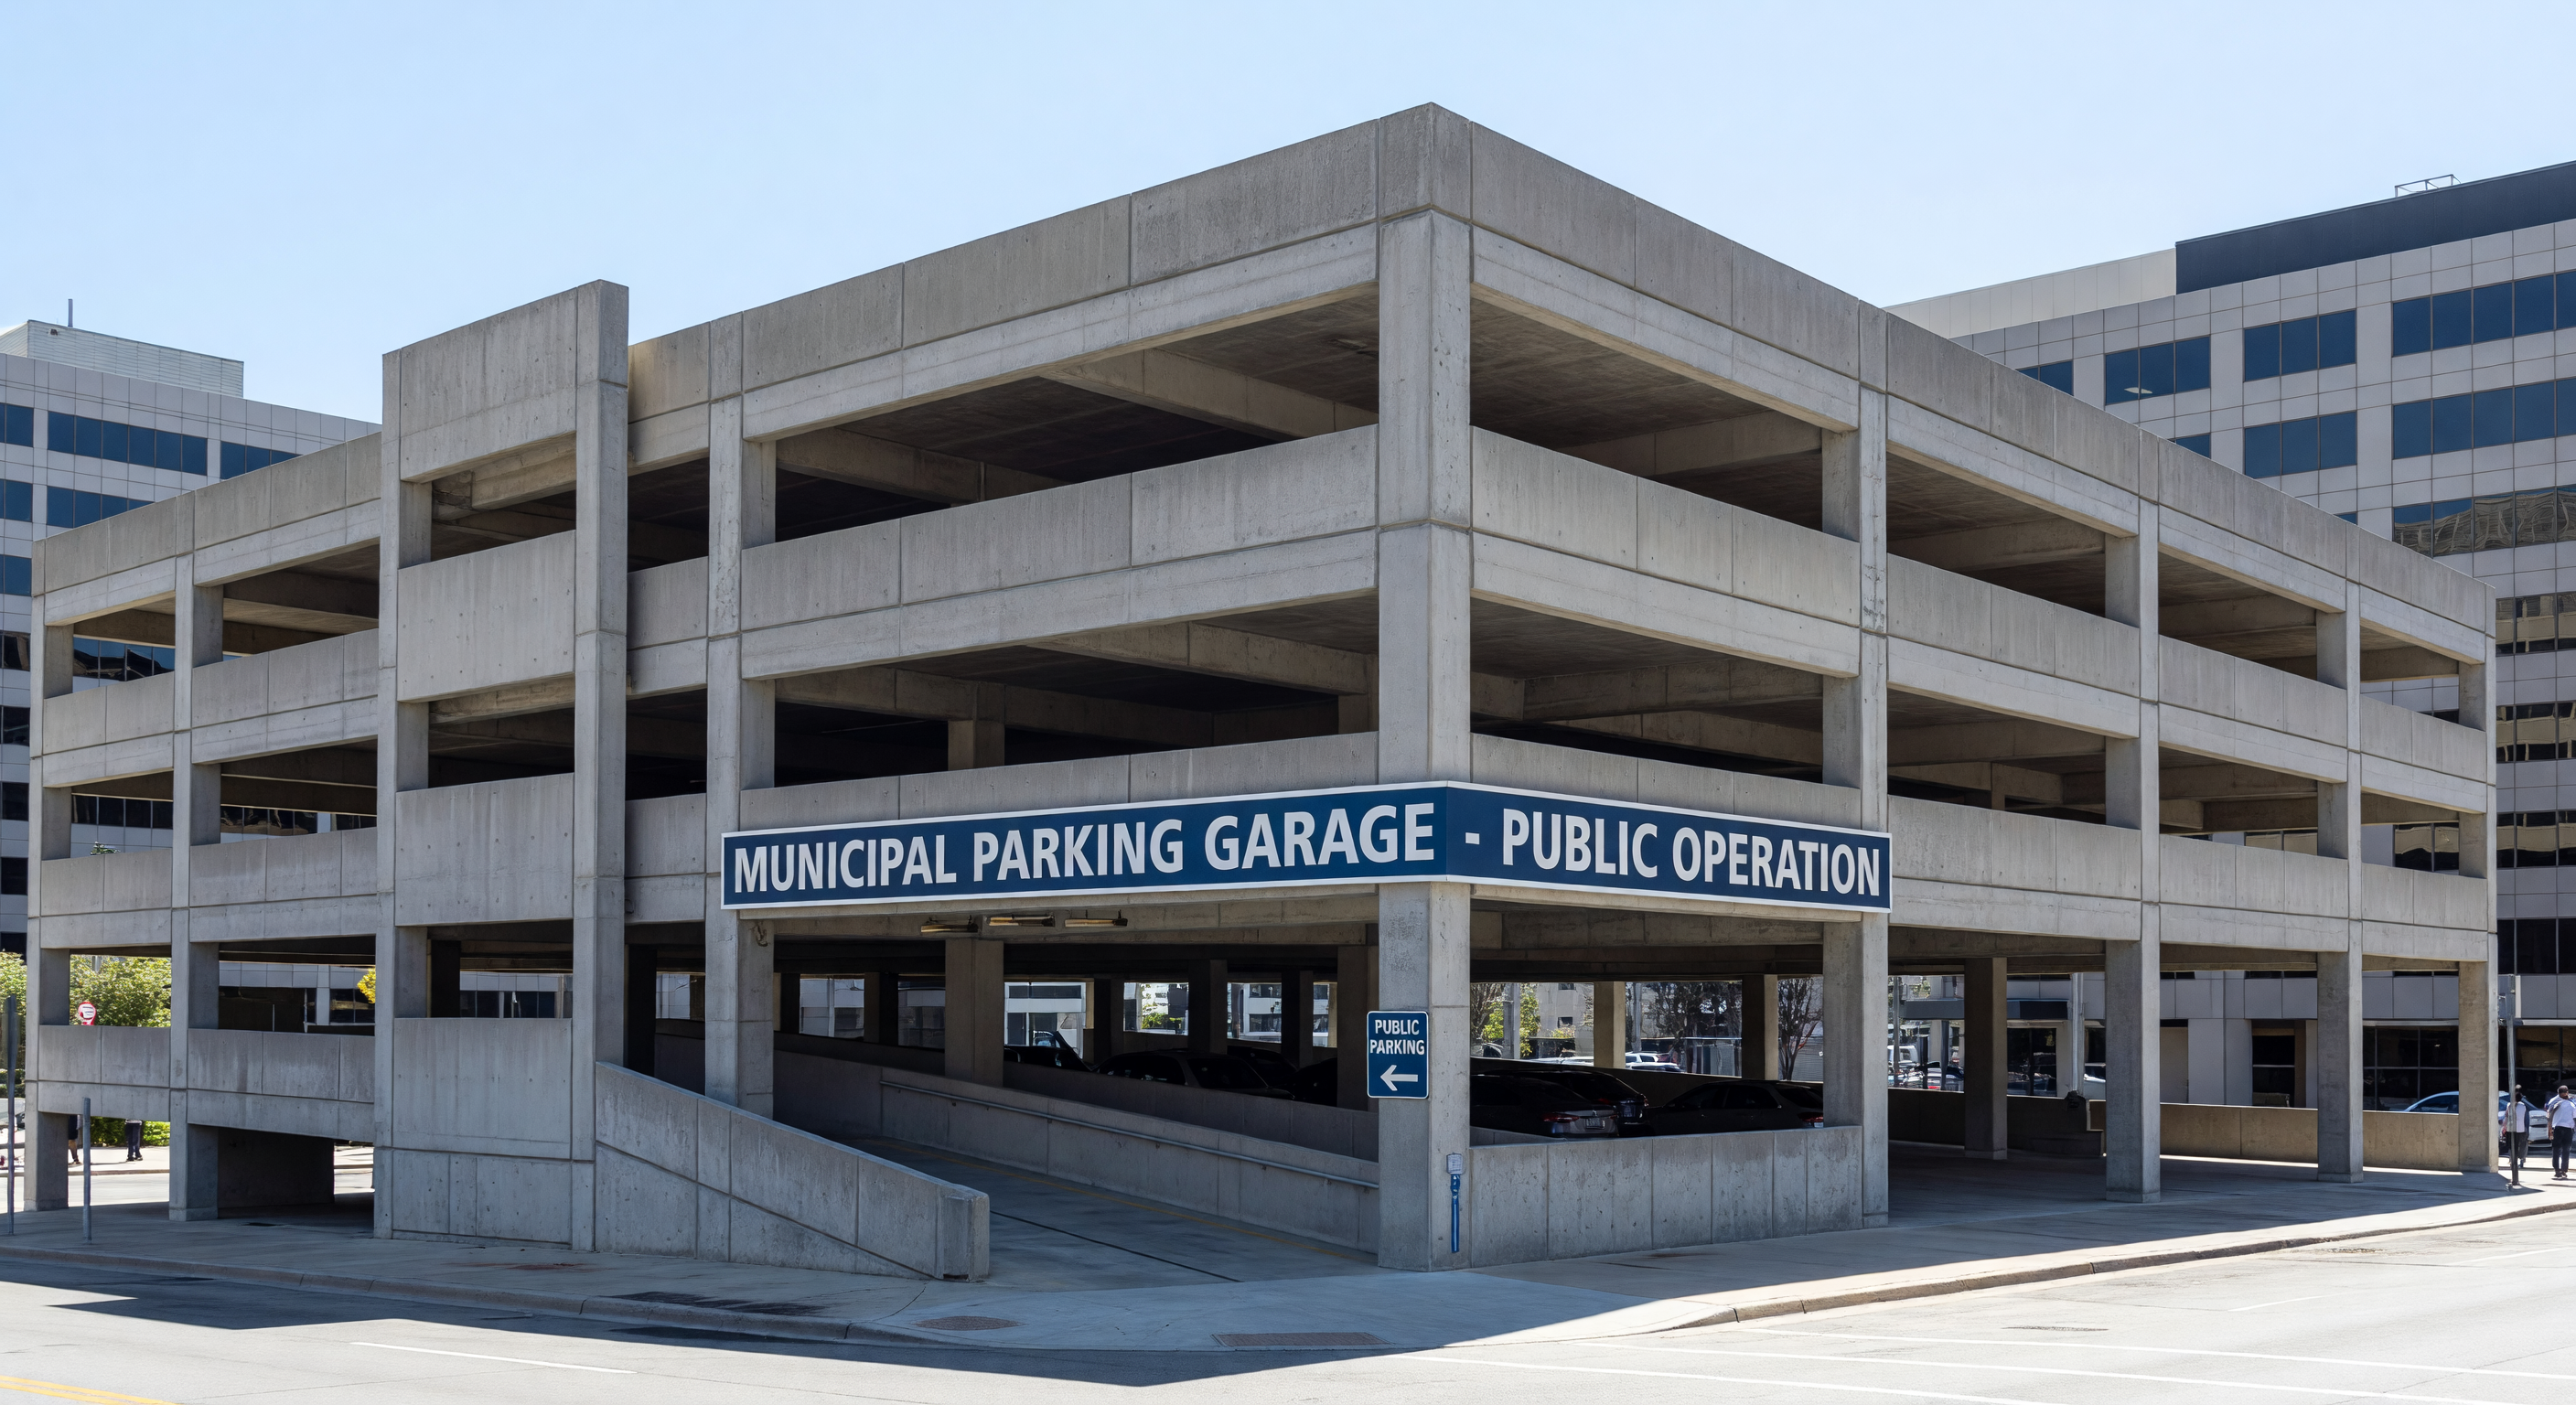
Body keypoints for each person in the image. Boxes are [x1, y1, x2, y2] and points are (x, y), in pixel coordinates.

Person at [2551, 1085, 2576, 1180]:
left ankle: (2557, 1170)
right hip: (2568, 1130)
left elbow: (2549, 1114)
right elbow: (2575, 1117)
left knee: (2556, 1150)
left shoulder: (2555, 1103)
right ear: (2566, 1094)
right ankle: (2563, 1170)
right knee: (2566, 1150)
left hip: (2557, 1128)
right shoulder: (2572, 1105)